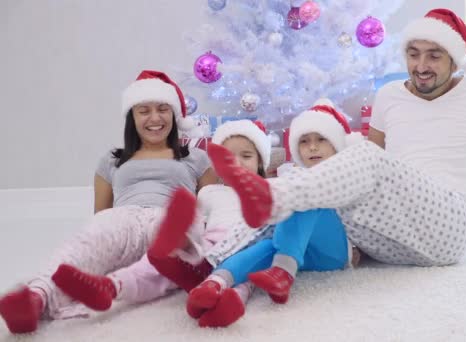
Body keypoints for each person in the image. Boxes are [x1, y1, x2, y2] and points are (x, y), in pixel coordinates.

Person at [201, 8, 466, 272]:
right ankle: (209, 262)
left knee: (359, 157)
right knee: (310, 191)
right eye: (413, 55)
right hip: (394, 233)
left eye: (434, 56)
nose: (422, 66)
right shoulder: (390, 95)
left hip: (451, 227)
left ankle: (272, 195)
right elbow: (364, 174)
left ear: (454, 61)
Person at [0, 70, 216, 334]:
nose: (155, 118)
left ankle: (176, 248)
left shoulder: (195, 157)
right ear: (132, 118)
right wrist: (104, 242)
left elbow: (211, 207)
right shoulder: (111, 160)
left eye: (163, 109)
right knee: (84, 244)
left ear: (174, 115)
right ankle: (36, 298)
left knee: (186, 224)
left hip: (168, 215)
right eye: (144, 110)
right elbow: (100, 213)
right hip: (124, 218)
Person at [44, 119, 274, 319]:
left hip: (246, 246)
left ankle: (226, 304)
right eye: (228, 157)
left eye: (246, 156)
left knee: (243, 274)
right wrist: (187, 239)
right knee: (157, 265)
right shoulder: (210, 192)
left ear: (260, 162)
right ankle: (111, 286)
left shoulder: (271, 189)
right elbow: (199, 221)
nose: (237, 162)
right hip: (211, 247)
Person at [183, 99, 364, 328]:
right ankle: (215, 283)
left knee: (303, 196)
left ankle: (282, 271)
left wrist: (363, 250)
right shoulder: (290, 177)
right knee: (267, 245)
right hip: (300, 255)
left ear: (336, 145)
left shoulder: (347, 175)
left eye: (321, 140)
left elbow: (365, 217)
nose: (313, 147)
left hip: (335, 252)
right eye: (305, 142)